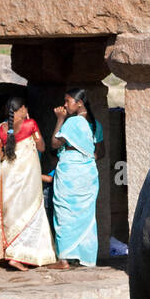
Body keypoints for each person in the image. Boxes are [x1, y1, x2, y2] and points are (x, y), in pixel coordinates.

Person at [0, 96, 57, 270]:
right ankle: (17, 255)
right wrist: (30, 123)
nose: (27, 110)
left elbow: (0, 155)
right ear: (22, 109)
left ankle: (7, 253)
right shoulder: (30, 124)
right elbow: (41, 147)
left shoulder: (2, 129)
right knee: (31, 212)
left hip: (8, 175)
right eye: (25, 108)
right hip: (27, 178)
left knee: (10, 215)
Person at [48, 88, 102, 270]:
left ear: (79, 103)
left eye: (68, 101)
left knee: (64, 212)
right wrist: (85, 159)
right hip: (87, 172)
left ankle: (63, 259)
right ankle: (83, 257)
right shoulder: (95, 125)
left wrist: (60, 120)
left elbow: (55, 144)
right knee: (85, 215)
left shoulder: (72, 123)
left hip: (71, 171)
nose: (64, 105)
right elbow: (99, 152)